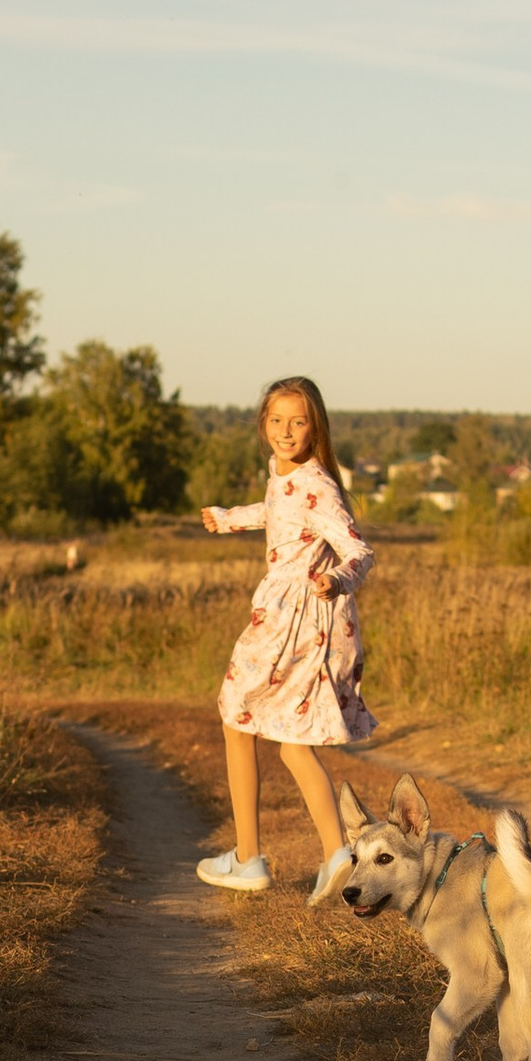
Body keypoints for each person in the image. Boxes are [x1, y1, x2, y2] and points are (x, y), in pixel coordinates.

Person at [195, 374, 376, 892]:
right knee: (292, 743)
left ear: (315, 427)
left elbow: (359, 551)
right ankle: (337, 854)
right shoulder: (286, 476)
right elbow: (281, 512)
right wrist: (230, 518)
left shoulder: (316, 483)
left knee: (236, 715)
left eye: (297, 422)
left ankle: (249, 858)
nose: (286, 430)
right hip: (296, 618)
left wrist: (335, 579)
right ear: (263, 424)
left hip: (293, 618)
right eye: (276, 420)